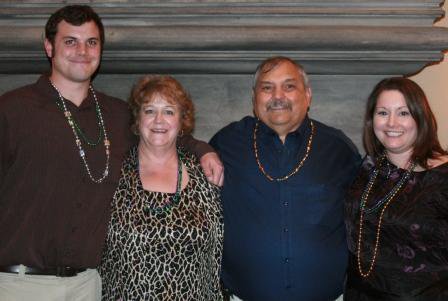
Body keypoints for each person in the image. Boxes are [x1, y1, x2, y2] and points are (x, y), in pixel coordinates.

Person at [0, 5, 222, 301]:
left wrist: (203, 149)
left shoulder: (116, 115)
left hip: (88, 286)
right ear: (49, 46)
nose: (82, 50)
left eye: (91, 42)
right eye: (70, 41)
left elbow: (160, 134)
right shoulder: (12, 110)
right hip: (20, 285)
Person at [210, 56, 361, 301]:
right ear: (254, 97)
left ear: (308, 94)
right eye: (267, 88)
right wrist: (199, 149)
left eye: (289, 86)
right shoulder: (226, 143)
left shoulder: (338, 147)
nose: (277, 96)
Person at [99, 75, 223, 300]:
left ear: (181, 120)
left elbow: (215, 258)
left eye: (168, 111)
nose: (159, 120)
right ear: (137, 119)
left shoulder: (204, 175)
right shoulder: (113, 173)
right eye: (149, 111)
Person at [344, 77, 448, 300]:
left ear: (421, 118)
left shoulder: (442, 176)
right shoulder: (369, 166)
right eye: (383, 113)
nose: (392, 123)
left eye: (403, 113)